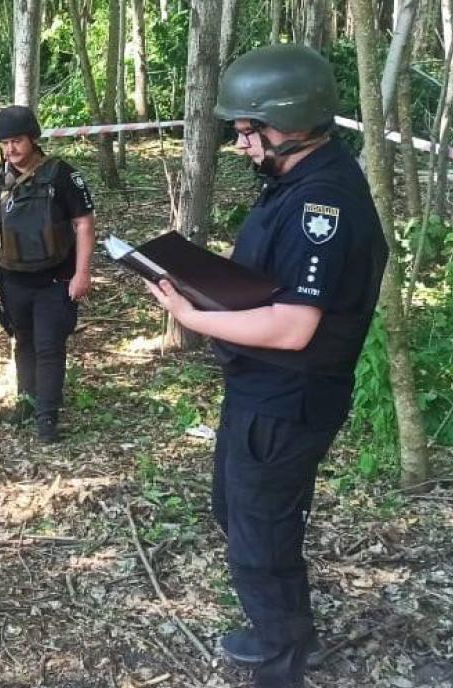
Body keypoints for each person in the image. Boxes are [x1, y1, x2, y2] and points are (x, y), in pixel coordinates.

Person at [144, 44, 387, 687]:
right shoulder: (294, 183)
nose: (243, 143)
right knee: (239, 512)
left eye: (250, 130)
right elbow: (270, 287)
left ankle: (282, 664)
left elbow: (293, 323)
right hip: (260, 389)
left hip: (289, 398)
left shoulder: (322, 205)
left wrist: (193, 319)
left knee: (260, 539)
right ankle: (280, 629)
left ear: (292, 120)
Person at [0, 105, 95, 443]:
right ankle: (26, 402)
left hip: (56, 279)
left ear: (33, 139)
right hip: (14, 278)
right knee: (23, 342)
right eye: (5, 143)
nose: (11, 149)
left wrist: (82, 273)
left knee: (49, 347)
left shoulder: (61, 174)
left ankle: (47, 419)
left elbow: (83, 224)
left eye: (17, 141)